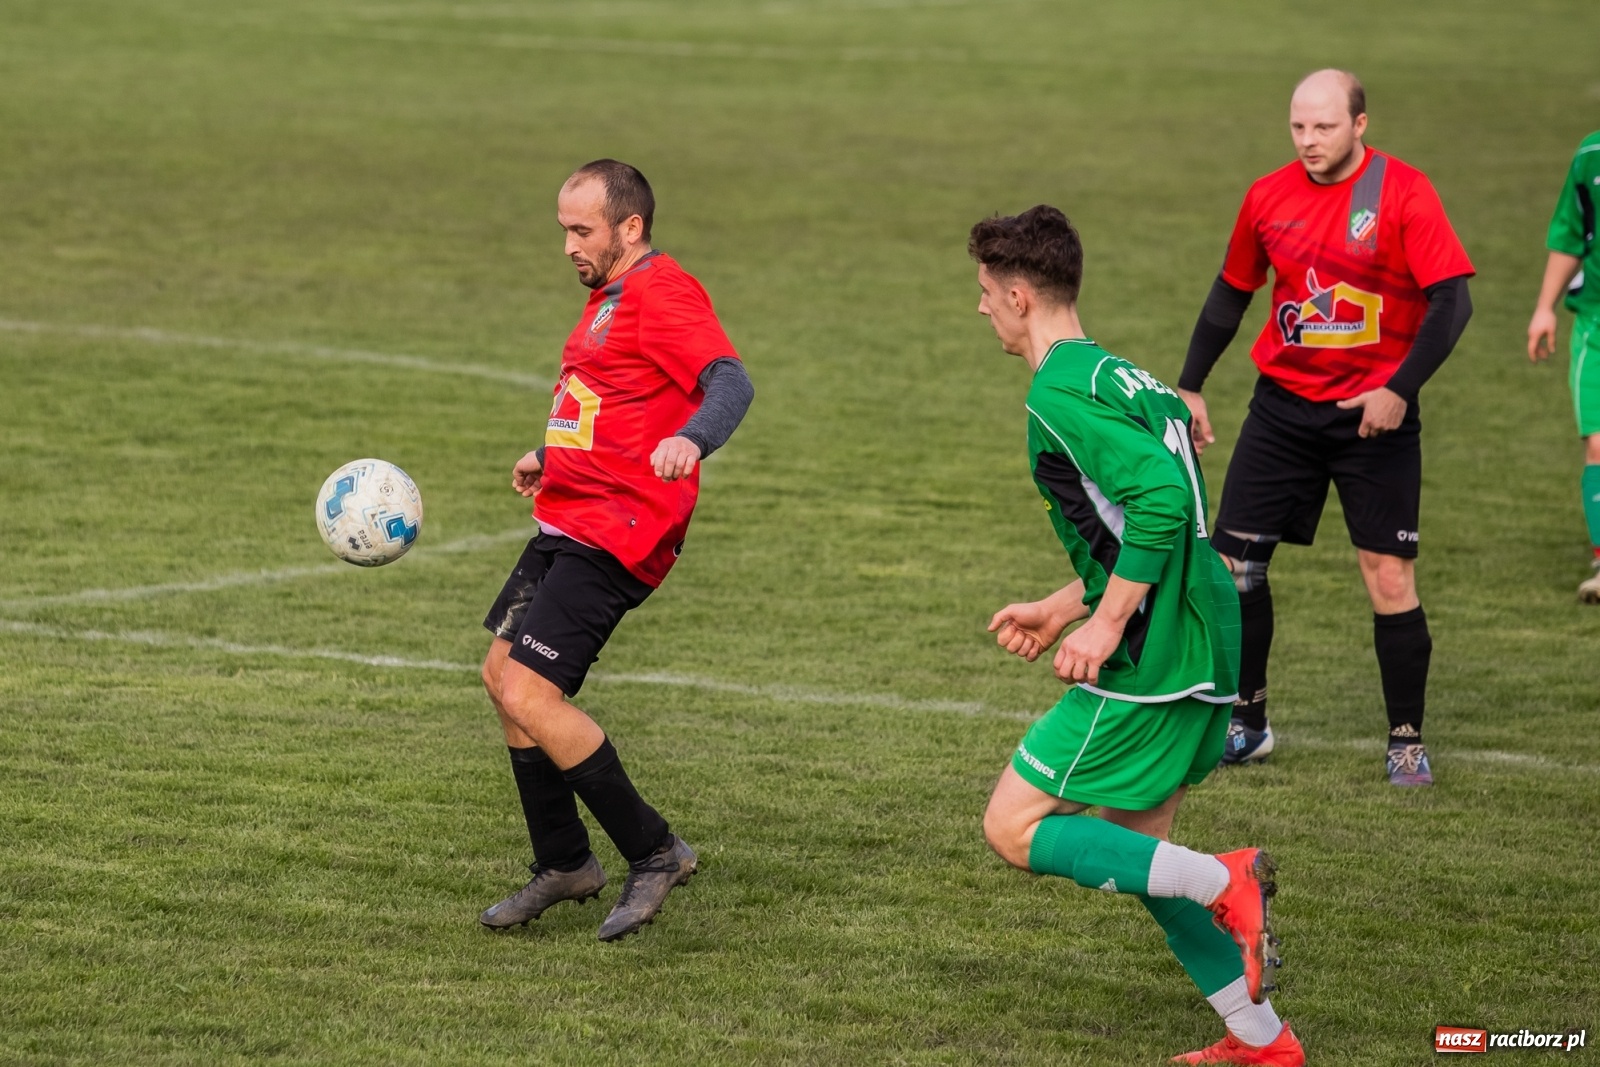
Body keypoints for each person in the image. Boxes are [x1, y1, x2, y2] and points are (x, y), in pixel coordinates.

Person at [973, 205, 1303, 1066]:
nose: (980, 311)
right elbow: (1169, 521)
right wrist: (1064, 603)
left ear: (1018, 295)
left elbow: (1157, 500)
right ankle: (1260, 1040)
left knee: (1013, 826)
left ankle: (1228, 878)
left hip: (1153, 651)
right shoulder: (1133, 378)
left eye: (983, 294)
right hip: (1206, 634)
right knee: (1138, 849)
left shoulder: (1056, 393)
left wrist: (1107, 619)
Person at [477, 159, 753, 942]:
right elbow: (608, 400)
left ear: (630, 227)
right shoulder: (610, 299)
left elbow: (730, 382)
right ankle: (565, 863)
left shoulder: (664, 291)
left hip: (620, 528)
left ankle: (655, 851)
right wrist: (548, 451)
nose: (568, 244)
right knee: (501, 677)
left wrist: (692, 441)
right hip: (570, 513)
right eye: (562, 229)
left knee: (533, 692)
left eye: (582, 229)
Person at [1177, 70, 1474, 786]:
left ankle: (1406, 739)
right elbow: (1231, 292)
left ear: (1360, 125)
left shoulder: (1403, 192)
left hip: (1374, 418)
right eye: (1298, 128)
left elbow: (1453, 303)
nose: (1310, 141)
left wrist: (1398, 390)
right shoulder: (1267, 196)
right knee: (1234, 565)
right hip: (1282, 408)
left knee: (1387, 575)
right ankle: (1248, 722)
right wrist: (1190, 384)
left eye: (1325, 127)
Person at [1527, 130, 1600, 602]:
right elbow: (1571, 234)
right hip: (1596, 322)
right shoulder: (1591, 156)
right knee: (1597, 443)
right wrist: (1545, 307)